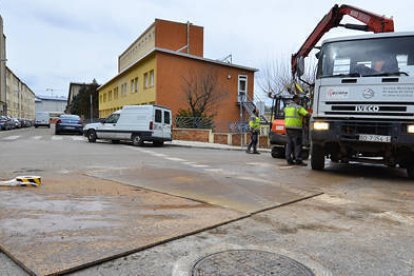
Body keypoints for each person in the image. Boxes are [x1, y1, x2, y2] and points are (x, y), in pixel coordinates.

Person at [284, 95, 310, 165]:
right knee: (297, 144)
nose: (299, 101)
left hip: (288, 128)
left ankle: (289, 159)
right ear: (295, 99)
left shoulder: (286, 107)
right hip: (296, 129)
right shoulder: (298, 107)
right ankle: (298, 160)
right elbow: (307, 114)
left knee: (289, 144)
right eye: (298, 100)